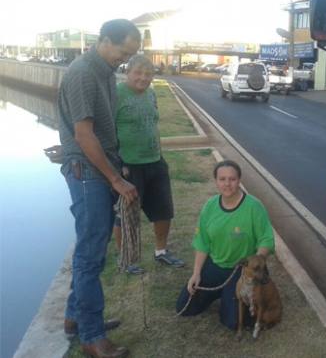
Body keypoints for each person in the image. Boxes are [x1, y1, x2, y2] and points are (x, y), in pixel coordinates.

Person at [58, 19, 141, 358]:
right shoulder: (83, 72)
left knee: (92, 250)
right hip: (89, 174)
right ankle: (92, 336)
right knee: (90, 256)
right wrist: (116, 179)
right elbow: (83, 134)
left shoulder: (105, 71)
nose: (124, 60)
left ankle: (74, 318)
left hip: (96, 169)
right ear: (105, 40)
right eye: (123, 52)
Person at [175, 160, 275, 330]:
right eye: (222, 179)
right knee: (185, 307)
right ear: (216, 181)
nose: (227, 184)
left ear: (239, 180)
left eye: (232, 179)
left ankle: (238, 296)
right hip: (215, 265)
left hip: (241, 270)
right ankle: (223, 292)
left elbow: (266, 240)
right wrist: (196, 273)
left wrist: (255, 266)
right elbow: (202, 243)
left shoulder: (254, 206)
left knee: (233, 322)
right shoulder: (210, 206)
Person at [112, 54, 184, 274]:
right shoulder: (115, 95)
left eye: (148, 74)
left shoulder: (152, 94)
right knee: (125, 215)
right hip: (129, 165)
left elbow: (154, 125)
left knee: (164, 211)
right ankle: (126, 259)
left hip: (155, 162)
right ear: (128, 72)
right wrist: (118, 164)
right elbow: (107, 132)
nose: (143, 78)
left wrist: (160, 155)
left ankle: (161, 252)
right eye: (138, 73)